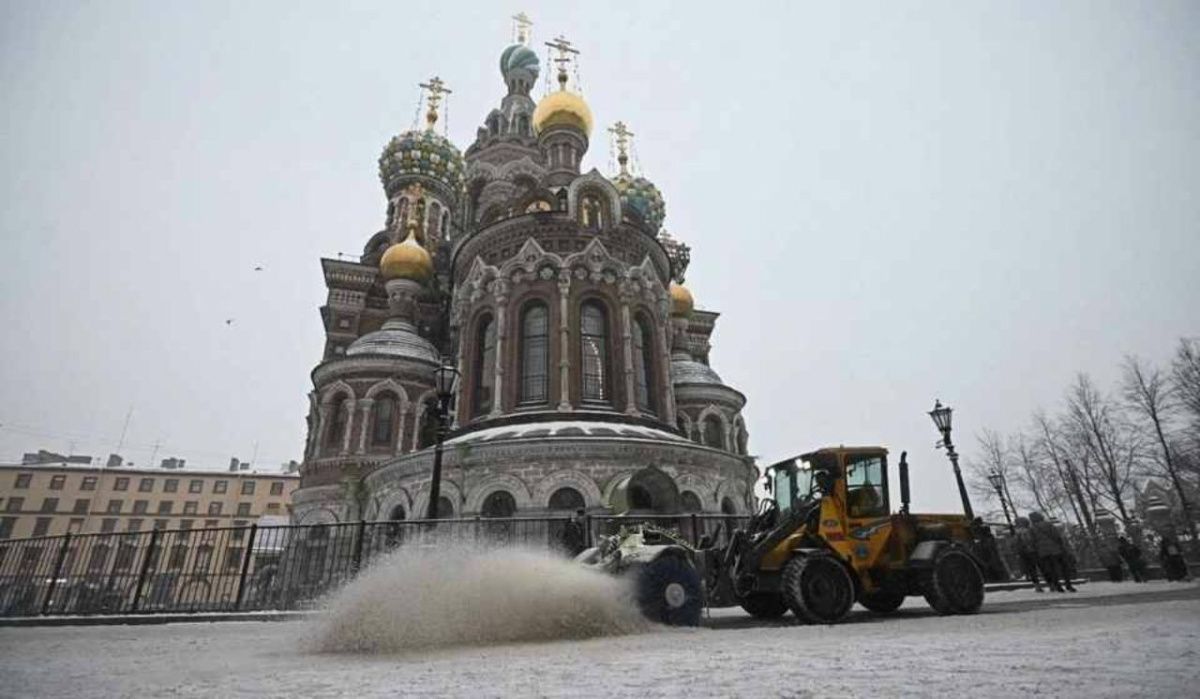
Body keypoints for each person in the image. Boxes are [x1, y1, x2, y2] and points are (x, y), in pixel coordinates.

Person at [1028, 511, 1076, 592]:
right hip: (1056, 550)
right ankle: (1068, 585)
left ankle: (1058, 587)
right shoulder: (1048, 524)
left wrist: (1036, 551)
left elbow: (1032, 541)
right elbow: (1056, 535)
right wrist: (1061, 546)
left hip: (1043, 553)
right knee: (1063, 567)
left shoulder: (1032, 529)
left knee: (1052, 570)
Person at [1013, 517, 1044, 592]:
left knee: (1031, 569)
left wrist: (1018, 552)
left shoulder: (1017, 533)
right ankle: (1051, 583)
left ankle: (1037, 585)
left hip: (1025, 553)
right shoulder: (1031, 530)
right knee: (1042, 567)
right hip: (1034, 551)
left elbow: (1016, 544)